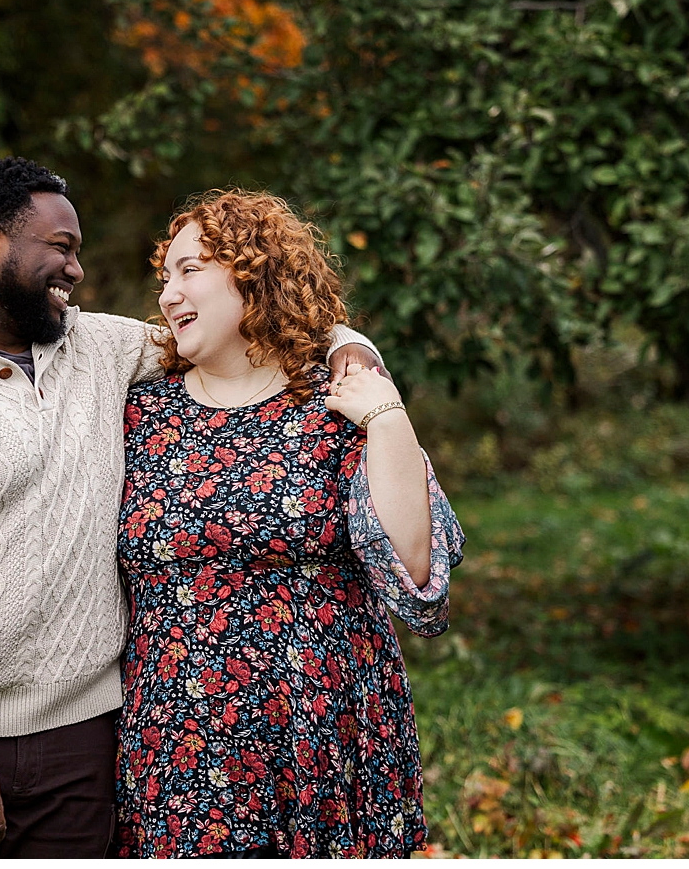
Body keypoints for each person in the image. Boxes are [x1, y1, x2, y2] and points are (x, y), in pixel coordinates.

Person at [0, 158, 384, 857]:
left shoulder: (99, 349)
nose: (76, 270)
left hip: (77, 741)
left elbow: (244, 329)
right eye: (60, 247)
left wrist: (349, 346)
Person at [117, 192, 462, 857]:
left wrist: (387, 416)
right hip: (177, 747)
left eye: (189, 270)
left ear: (252, 275)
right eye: (164, 276)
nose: (168, 293)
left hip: (322, 738)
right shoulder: (139, 415)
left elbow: (416, 578)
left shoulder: (336, 403)